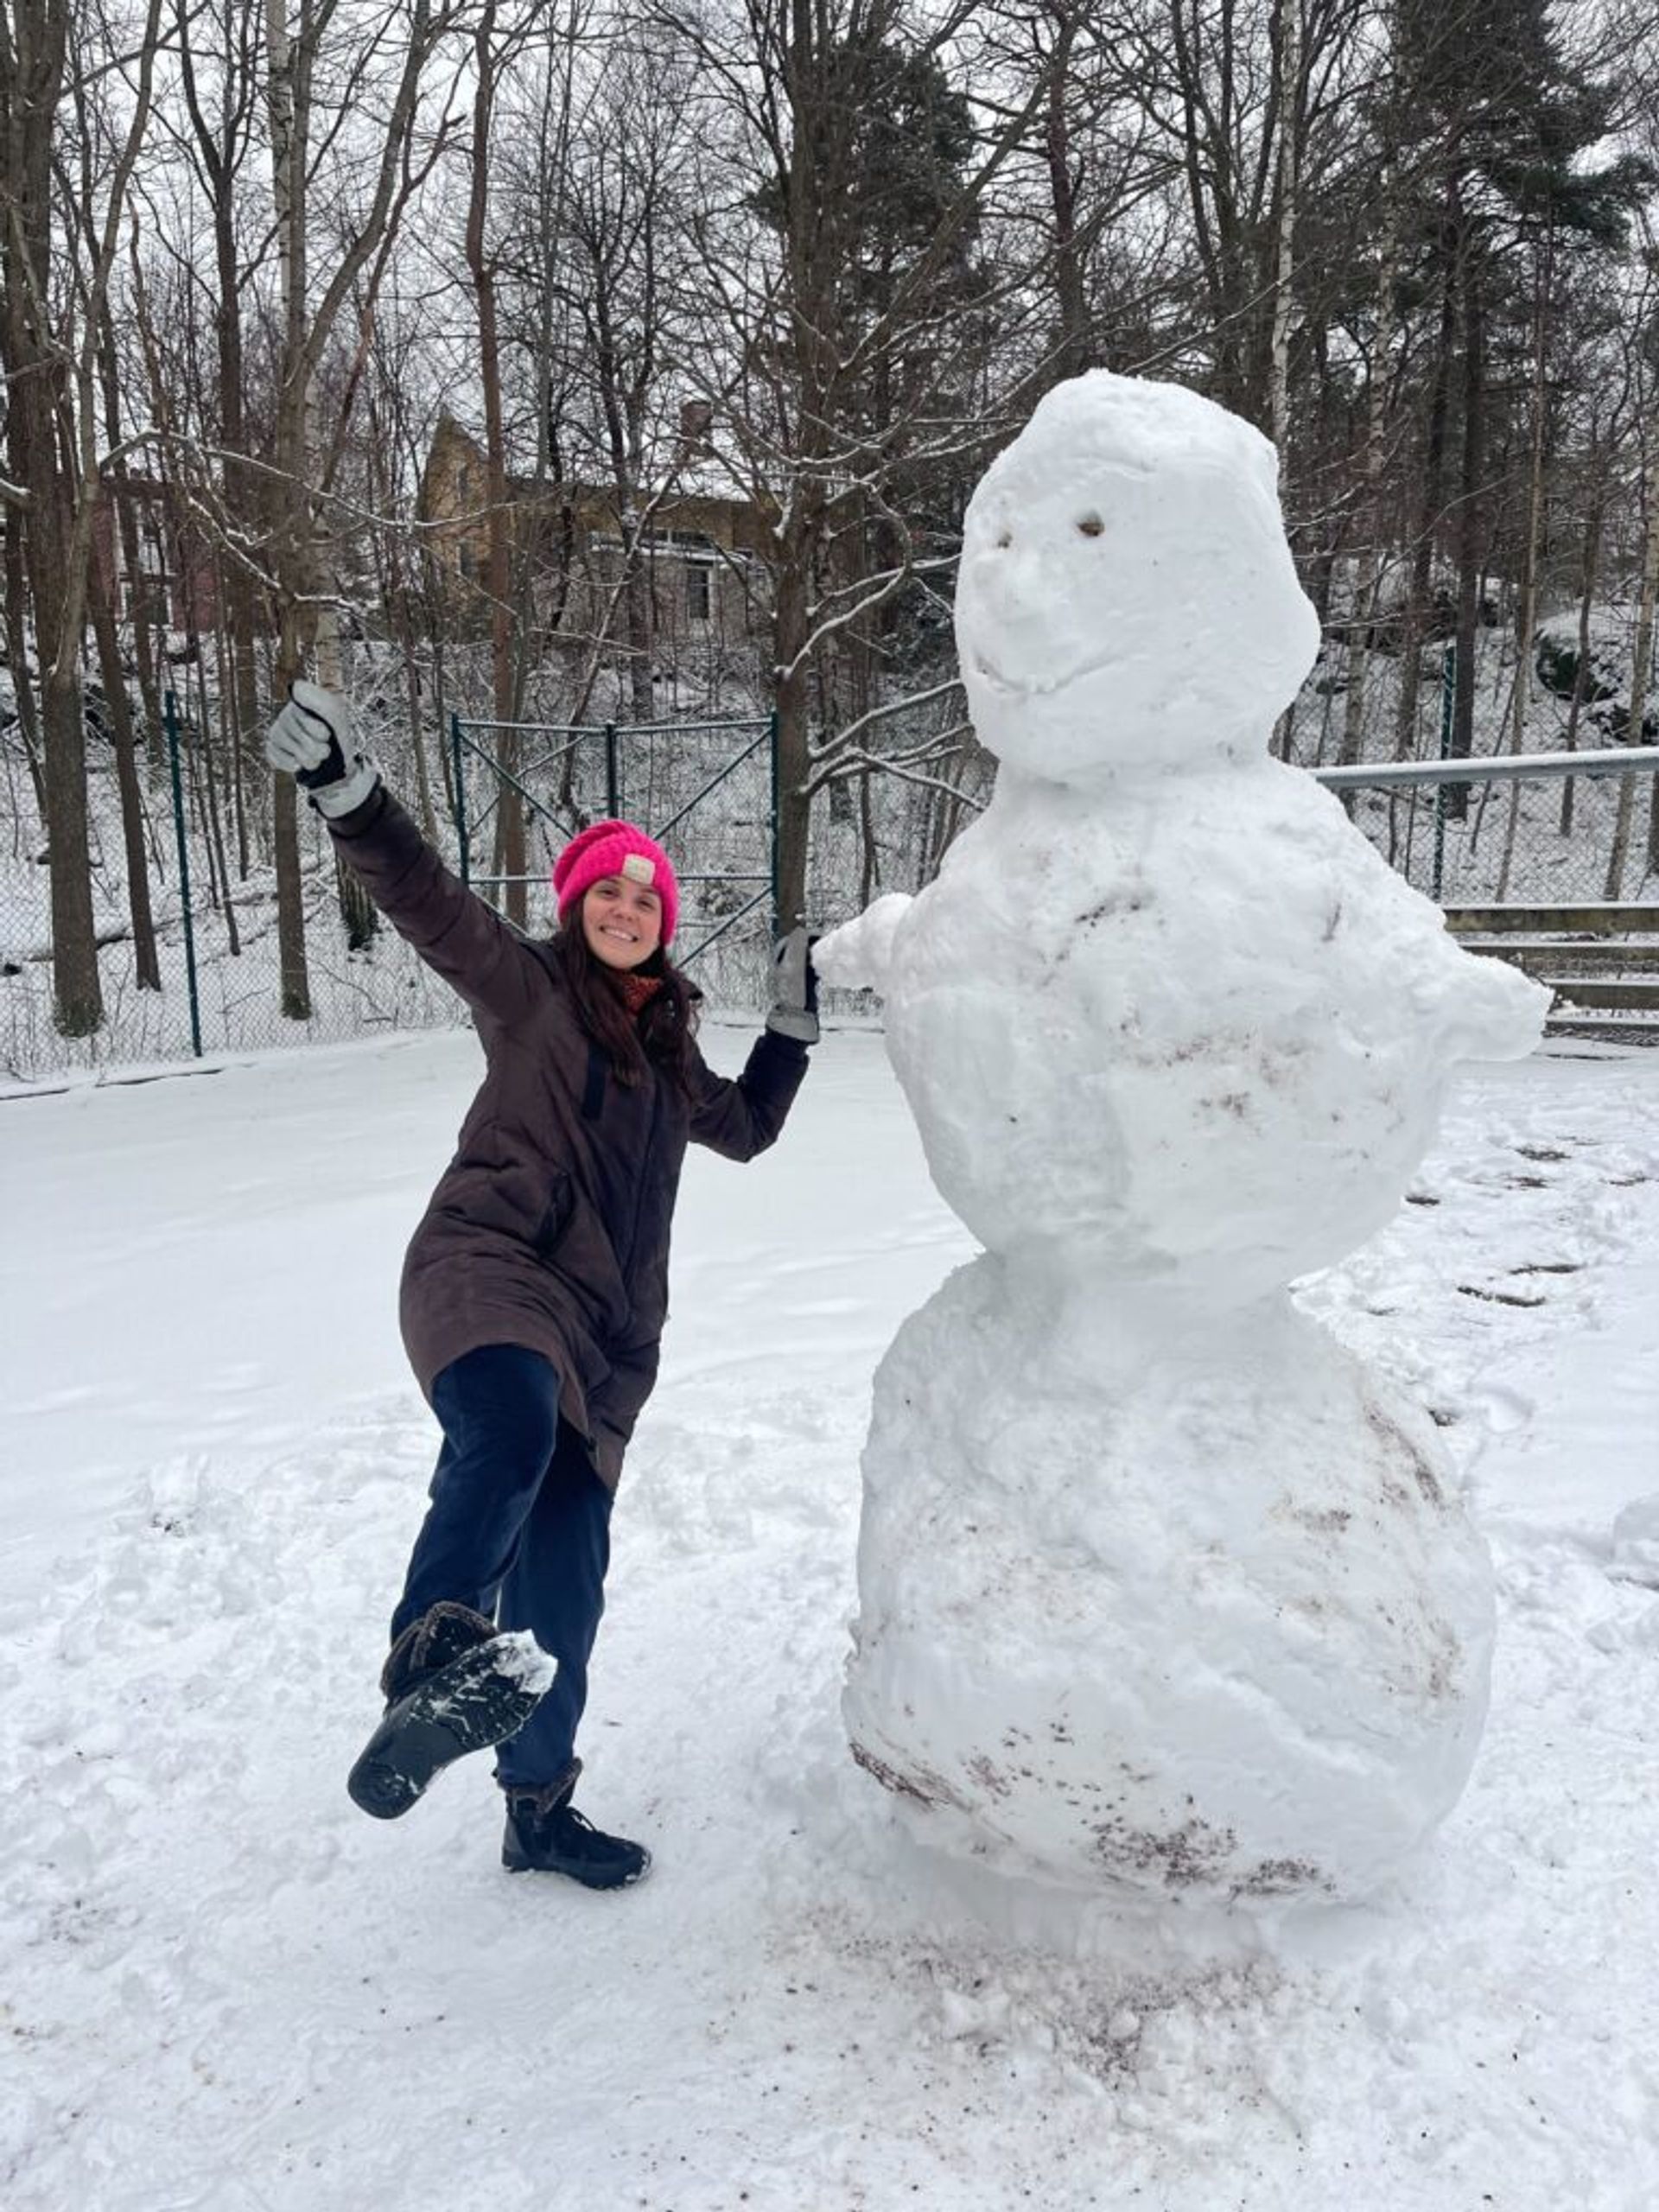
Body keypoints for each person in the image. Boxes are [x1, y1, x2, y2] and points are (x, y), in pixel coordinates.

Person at [264, 680, 818, 1889]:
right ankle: (430, 1650)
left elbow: (750, 1127)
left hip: (610, 1347)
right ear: (577, 909)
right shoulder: (531, 994)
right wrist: (353, 801)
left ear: (664, 925)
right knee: (506, 1433)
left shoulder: (670, 1059)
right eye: (607, 891)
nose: (627, 906)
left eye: (645, 897)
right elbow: (432, 908)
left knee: (565, 1592)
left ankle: (539, 1810)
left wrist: (791, 1029)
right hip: (489, 1274)